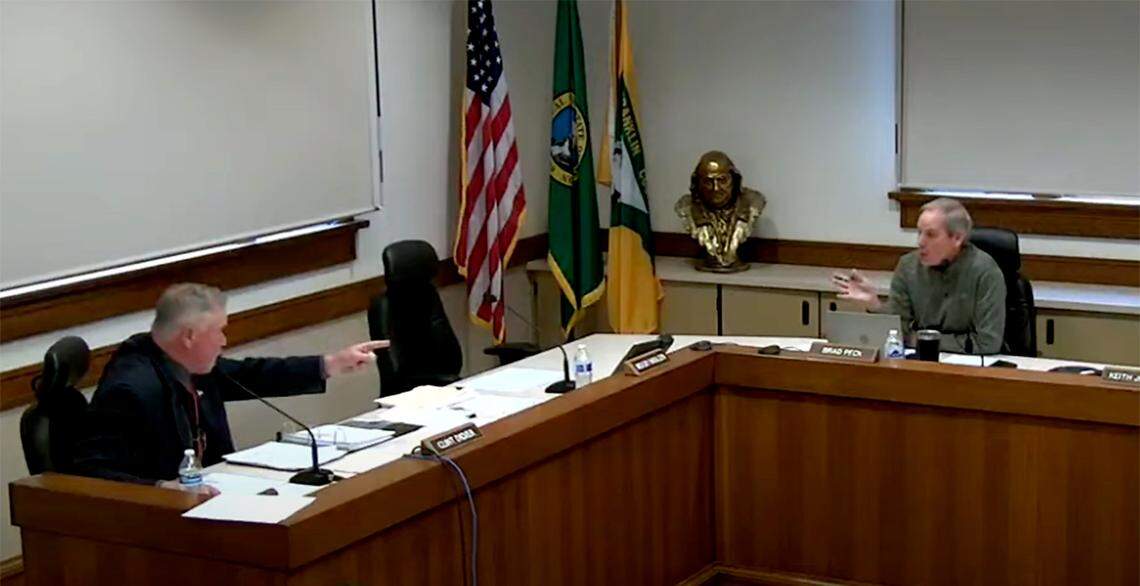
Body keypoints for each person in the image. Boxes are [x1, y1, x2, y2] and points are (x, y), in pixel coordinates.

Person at [73, 283, 388, 493]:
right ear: (189, 336)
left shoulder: (185, 362)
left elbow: (254, 374)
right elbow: (91, 471)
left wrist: (331, 364)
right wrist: (160, 488)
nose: (224, 341)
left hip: (213, 494)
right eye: (219, 331)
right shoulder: (130, 389)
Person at [831, 198, 1006, 354]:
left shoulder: (985, 272)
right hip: (919, 360)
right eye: (919, 232)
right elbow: (897, 333)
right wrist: (875, 305)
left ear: (957, 238)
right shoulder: (908, 266)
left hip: (970, 367)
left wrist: (919, 339)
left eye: (930, 234)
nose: (920, 242)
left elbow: (987, 343)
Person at [674, 150, 766, 272]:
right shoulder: (686, 207)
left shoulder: (752, 203)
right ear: (697, 183)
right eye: (708, 182)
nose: (716, 188)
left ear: (734, 180)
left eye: (722, 180)